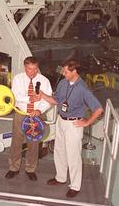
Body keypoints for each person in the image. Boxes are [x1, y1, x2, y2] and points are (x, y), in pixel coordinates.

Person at [34, 60, 103, 197]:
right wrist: (42, 95)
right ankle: (60, 177)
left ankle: (75, 186)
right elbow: (57, 101)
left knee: (73, 156)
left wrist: (87, 122)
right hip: (61, 121)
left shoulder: (82, 89)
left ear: (74, 72)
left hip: (74, 124)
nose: (63, 73)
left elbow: (99, 109)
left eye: (66, 72)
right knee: (59, 151)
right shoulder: (63, 83)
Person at [6, 56, 52, 181]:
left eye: (35, 69)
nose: (33, 72)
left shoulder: (44, 81)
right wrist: (30, 99)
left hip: (37, 114)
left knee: (33, 143)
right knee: (16, 142)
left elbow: (48, 100)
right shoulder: (18, 79)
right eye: (30, 69)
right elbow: (15, 96)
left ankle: (30, 169)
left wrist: (39, 110)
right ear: (24, 67)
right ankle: (13, 168)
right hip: (21, 113)